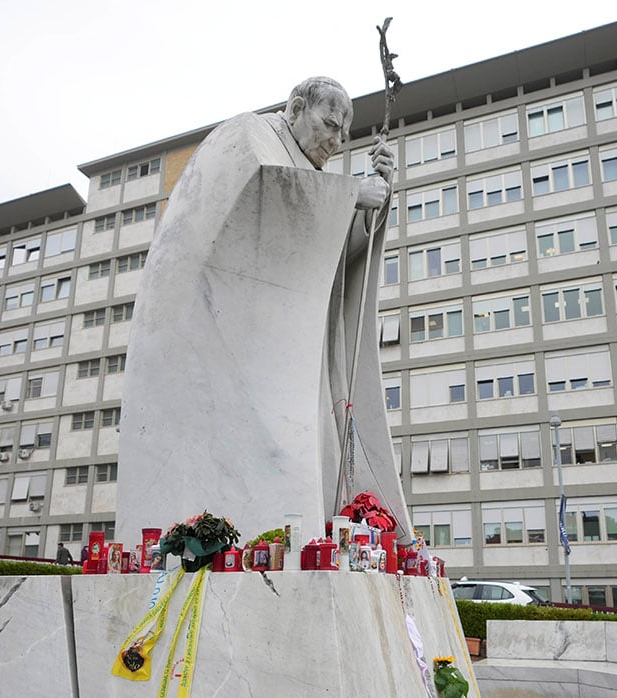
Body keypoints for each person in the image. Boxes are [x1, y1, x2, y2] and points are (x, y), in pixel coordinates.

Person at [115, 76, 409, 543]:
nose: (335, 142)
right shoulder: (248, 137)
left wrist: (375, 202)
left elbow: (322, 262)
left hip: (277, 355)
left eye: (343, 135)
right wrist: (352, 195)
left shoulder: (307, 170)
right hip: (213, 345)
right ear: (295, 108)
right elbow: (261, 199)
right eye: (328, 126)